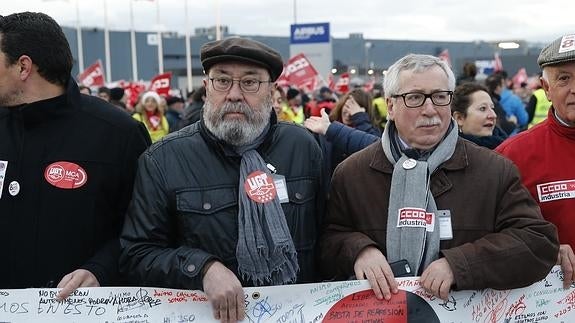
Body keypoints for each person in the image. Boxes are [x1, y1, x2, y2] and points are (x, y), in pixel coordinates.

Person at [319, 53, 558, 302]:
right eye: (414, 98)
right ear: (390, 106)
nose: (430, 109)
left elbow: (537, 242)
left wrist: (461, 264)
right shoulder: (352, 173)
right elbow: (328, 241)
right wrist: (359, 250)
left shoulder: (494, 170)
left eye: (440, 96)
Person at [120, 37, 323, 323]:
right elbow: (136, 255)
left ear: (271, 91)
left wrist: (359, 252)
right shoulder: (163, 159)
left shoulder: (303, 147)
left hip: (297, 314)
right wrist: (201, 268)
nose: (235, 94)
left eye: (250, 83)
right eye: (223, 81)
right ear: (206, 88)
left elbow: (328, 234)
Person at [0, 12, 151, 297]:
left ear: (23, 67)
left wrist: (100, 270)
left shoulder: (118, 133)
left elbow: (146, 229)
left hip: (82, 310)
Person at [496, 34, 575, 288]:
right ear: (546, 88)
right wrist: (541, 250)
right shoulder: (511, 156)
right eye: (564, 78)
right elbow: (488, 236)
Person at [451, 82, 507, 149]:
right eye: (483, 108)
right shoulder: (449, 154)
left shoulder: (506, 145)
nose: (493, 115)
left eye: (492, 108)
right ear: (459, 118)